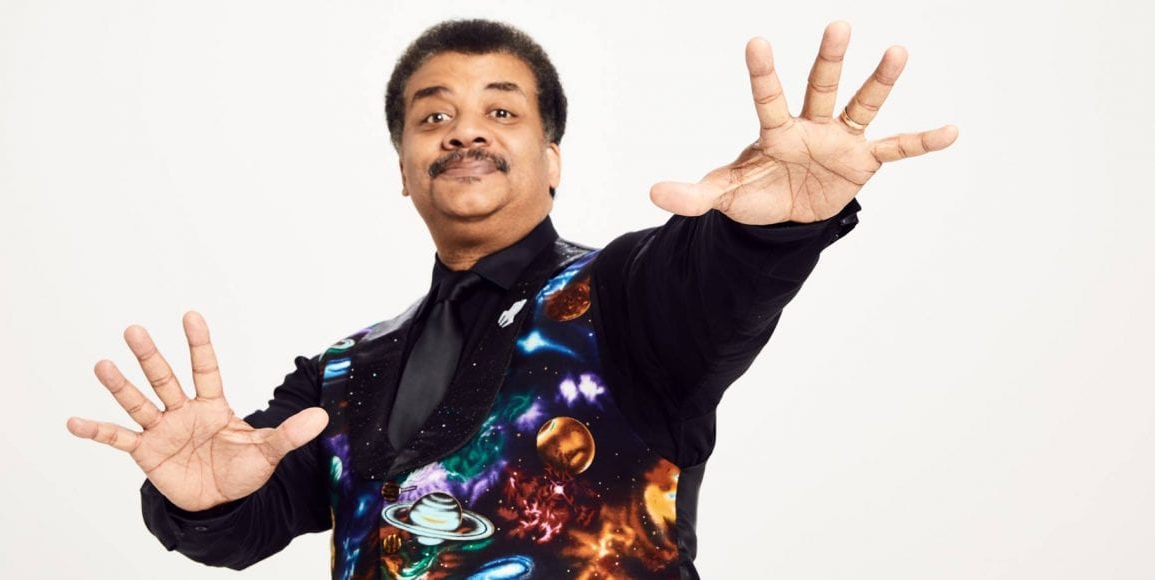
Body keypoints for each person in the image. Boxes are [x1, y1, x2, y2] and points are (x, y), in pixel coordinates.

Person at [66, 18, 956, 579]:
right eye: (433, 116)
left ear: (551, 158)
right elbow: (246, 525)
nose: (464, 132)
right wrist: (203, 501)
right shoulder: (340, 375)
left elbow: (713, 282)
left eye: (501, 112)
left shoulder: (624, 297)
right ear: (404, 169)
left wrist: (778, 228)